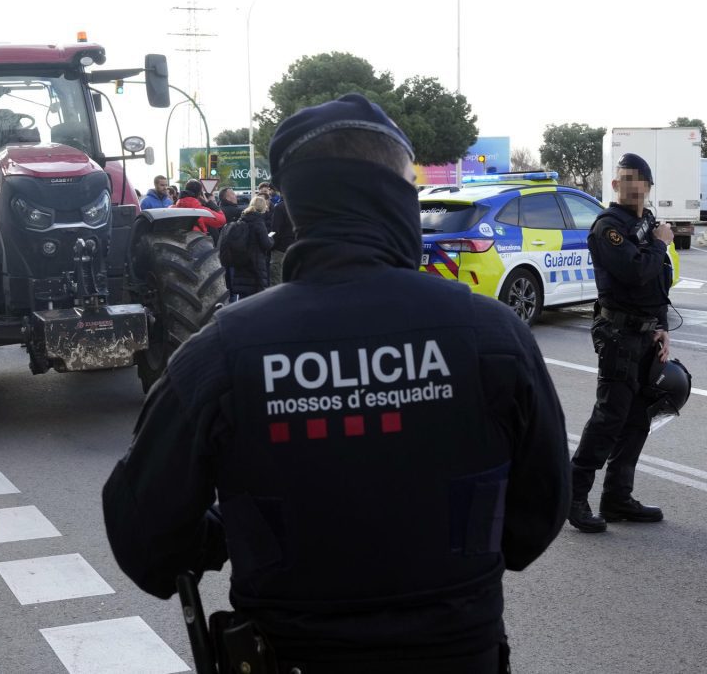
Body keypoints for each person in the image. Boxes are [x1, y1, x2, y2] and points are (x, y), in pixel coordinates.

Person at [103, 94, 569, 673]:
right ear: (396, 195)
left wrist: (230, 534)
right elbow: (540, 510)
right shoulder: (492, 336)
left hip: (287, 654)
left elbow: (144, 538)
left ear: (298, 204)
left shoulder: (222, 355)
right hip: (458, 653)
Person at [568, 153, 674, 533]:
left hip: (645, 333)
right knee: (609, 417)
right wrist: (660, 244)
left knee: (638, 418)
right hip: (618, 335)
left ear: (647, 185)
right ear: (615, 185)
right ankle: (574, 496)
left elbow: (657, 282)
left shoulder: (645, 223)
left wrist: (661, 327)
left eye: (637, 179)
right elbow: (634, 273)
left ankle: (617, 498)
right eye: (623, 178)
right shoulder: (609, 227)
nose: (629, 184)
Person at [226, 194, 273, 301]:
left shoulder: (241, 220)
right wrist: (271, 239)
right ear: (263, 207)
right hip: (256, 264)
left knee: (243, 297)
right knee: (256, 299)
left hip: (241, 262)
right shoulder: (259, 222)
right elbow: (266, 244)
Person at [269, 194, 295, 287]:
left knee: (277, 280)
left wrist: (271, 244)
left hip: (281, 249)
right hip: (297, 248)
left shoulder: (280, 207)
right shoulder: (301, 207)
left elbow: (275, 230)